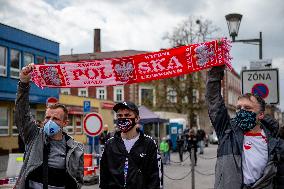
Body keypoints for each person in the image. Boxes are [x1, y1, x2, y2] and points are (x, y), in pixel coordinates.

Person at [206, 65, 282, 189]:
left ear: (261, 115)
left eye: (247, 108)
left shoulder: (274, 142)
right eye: (239, 108)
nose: (242, 111)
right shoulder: (227, 132)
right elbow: (214, 101)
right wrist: (215, 73)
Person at [14, 64, 84, 189]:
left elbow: (77, 180)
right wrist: (23, 83)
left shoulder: (75, 149)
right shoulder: (34, 136)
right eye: (47, 117)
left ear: (65, 123)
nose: (49, 121)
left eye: (55, 119)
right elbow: (21, 113)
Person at [99, 101, 160, 189]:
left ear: (137, 118)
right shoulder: (110, 144)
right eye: (120, 116)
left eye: (127, 115)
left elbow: (155, 178)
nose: (123, 118)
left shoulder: (149, 144)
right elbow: (104, 176)